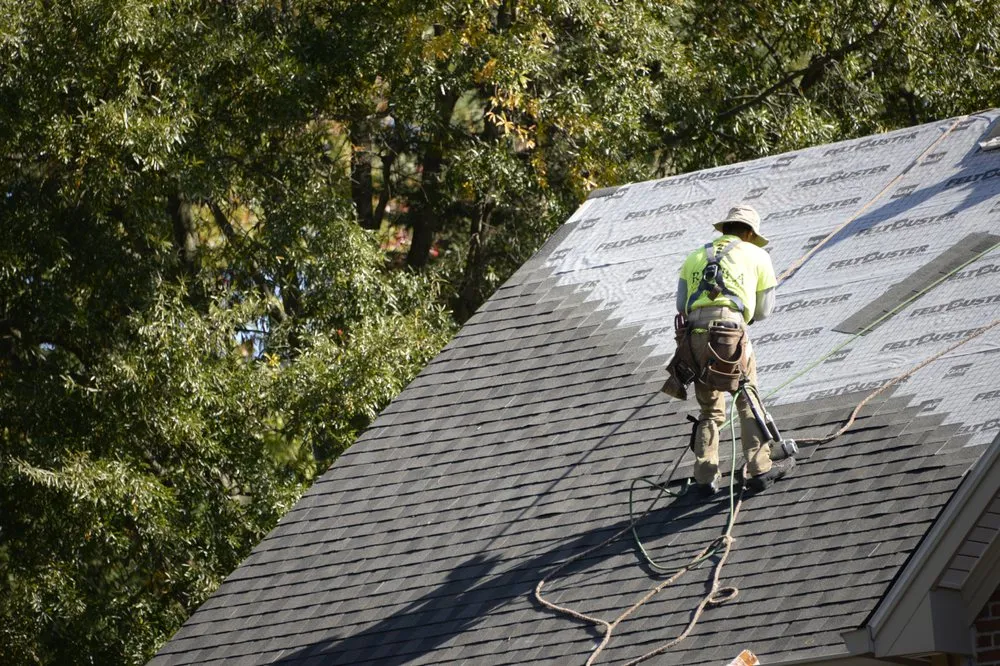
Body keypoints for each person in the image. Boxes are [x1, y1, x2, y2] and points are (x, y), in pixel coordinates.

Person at [662, 204, 794, 494]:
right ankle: (760, 468)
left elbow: (681, 305)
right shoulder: (758, 255)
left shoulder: (695, 256)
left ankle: (705, 476)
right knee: (746, 396)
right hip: (729, 332)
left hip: (692, 338)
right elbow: (763, 312)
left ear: (725, 229)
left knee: (709, 408)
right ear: (748, 232)